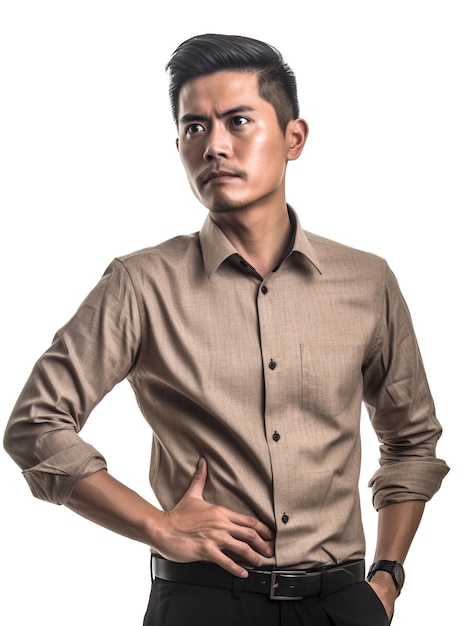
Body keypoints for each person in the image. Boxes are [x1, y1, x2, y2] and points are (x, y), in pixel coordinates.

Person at [4, 33, 449, 625]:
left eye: (238, 121)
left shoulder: (367, 281)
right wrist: (157, 526)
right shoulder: (141, 283)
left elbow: (412, 442)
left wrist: (388, 576)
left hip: (345, 604)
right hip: (204, 603)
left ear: (294, 138)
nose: (214, 145)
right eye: (194, 128)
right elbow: (37, 425)